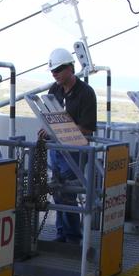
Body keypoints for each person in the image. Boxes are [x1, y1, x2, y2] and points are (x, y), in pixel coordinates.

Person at [44, 47, 96, 243]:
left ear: (70, 68)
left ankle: (73, 236)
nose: (54, 74)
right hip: (56, 151)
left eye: (57, 70)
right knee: (58, 192)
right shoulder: (54, 91)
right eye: (52, 71)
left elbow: (88, 129)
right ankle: (62, 233)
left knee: (68, 193)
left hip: (74, 152)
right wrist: (48, 130)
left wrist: (60, 131)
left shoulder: (85, 93)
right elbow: (50, 119)